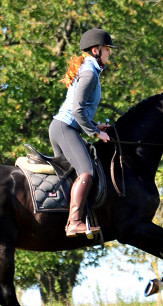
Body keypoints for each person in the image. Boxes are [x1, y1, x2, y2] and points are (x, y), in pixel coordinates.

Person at [49, 28, 117, 237]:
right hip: (65, 128)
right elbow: (77, 110)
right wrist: (96, 134)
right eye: (107, 49)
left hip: (62, 127)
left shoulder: (89, 70)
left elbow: (79, 109)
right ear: (96, 50)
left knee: (73, 175)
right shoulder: (89, 73)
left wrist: (95, 125)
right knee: (87, 171)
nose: (109, 53)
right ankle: (74, 223)